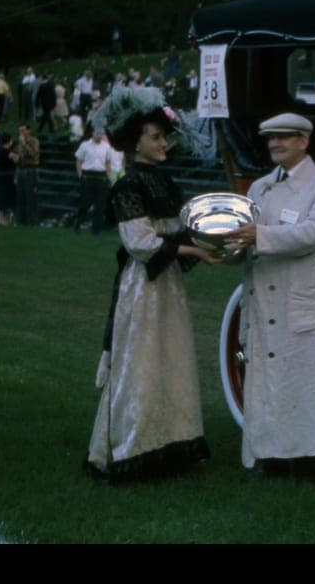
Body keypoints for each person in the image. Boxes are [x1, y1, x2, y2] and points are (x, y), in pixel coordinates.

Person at [85, 87, 221, 483]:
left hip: (167, 285)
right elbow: (142, 244)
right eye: (156, 137)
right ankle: (131, 447)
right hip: (143, 287)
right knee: (140, 364)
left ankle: (170, 443)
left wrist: (215, 241)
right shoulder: (128, 187)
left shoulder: (165, 182)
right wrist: (194, 252)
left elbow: (180, 232)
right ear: (135, 142)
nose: (165, 143)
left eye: (166, 136)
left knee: (171, 358)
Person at [223, 113, 315, 480]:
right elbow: (243, 240)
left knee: (307, 380)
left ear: (304, 142)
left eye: (284, 138)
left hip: (301, 299)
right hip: (263, 298)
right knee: (266, 380)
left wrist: (257, 236)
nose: (275, 144)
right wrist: (221, 247)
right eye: (270, 138)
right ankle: (270, 456)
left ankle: (311, 460)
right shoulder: (259, 187)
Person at [74, 128, 112, 233]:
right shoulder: (84, 145)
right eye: (97, 133)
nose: (99, 135)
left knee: (100, 204)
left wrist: (108, 176)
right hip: (87, 175)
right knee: (85, 203)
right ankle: (78, 224)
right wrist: (80, 175)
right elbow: (79, 161)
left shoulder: (107, 147)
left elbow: (108, 162)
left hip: (101, 176)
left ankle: (96, 230)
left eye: (101, 133)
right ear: (93, 133)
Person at [13, 124, 41, 226]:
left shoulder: (34, 141)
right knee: (20, 197)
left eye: (23, 130)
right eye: (20, 131)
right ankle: (21, 221)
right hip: (21, 170)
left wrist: (24, 143)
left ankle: (33, 220)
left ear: (29, 131)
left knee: (31, 197)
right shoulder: (18, 142)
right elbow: (18, 157)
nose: (21, 133)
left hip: (31, 170)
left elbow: (34, 154)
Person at [0, 132, 17, 225]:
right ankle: (3, 221)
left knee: (3, 202)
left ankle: (4, 221)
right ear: (8, 141)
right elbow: (17, 159)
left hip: (2, 179)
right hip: (6, 180)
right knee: (5, 202)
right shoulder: (5, 152)